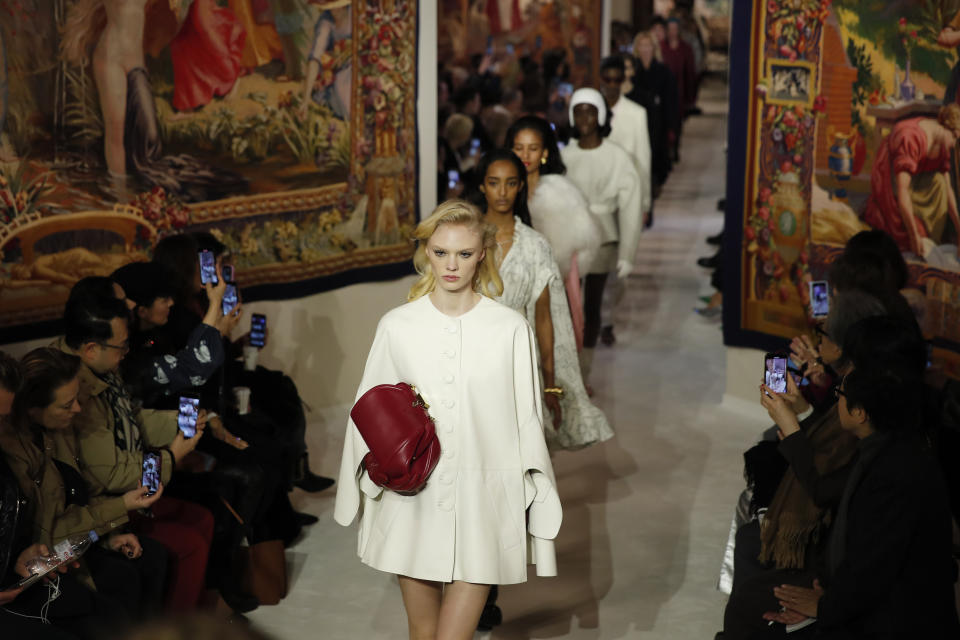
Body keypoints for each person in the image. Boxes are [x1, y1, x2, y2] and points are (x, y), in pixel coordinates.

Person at [334, 199, 562, 639]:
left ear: (482, 254)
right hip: (412, 497)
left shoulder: (510, 328)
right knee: (422, 633)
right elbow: (368, 414)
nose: (451, 265)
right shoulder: (397, 326)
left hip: (484, 499)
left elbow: (526, 421)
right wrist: (360, 486)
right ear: (426, 253)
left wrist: (533, 494)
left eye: (463, 253)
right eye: (440, 252)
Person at [758, 318, 960, 638]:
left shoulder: (893, 471)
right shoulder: (887, 442)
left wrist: (825, 604)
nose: (837, 394)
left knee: (756, 608)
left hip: (892, 619)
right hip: (860, 593)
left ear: (861, 412)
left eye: (840, 391)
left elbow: (871, 566)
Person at [721, 291, 889, 640]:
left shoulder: (884, 456)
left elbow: (824, 487)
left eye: (824, 333)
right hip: (831, 554)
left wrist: (794, 425)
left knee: (748, 593)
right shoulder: (874, 430)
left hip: (830, 565)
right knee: (752, 538)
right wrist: (803, 413)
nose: (837, 391)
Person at [58, 290, 216, 612]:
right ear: (90, 349)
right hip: (102, 506)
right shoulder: (75, 391)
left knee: (202, 519)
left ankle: (190, 620)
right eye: (121, 347)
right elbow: (110, 473)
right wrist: (171, 456)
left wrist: (178, 422)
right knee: (186, 544)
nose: (127, 353)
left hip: (118, 499)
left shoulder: (102, 370)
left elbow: (130, 419)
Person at [2, 348, 168, 623]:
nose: (78, 409)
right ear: (31, 409)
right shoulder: (19, 455)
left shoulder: (56, 432)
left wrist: (107, 535)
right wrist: (121, 507)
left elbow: (80, 494)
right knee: (114, 602)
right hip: (47, 557)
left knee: (147, 562)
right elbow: (50, 531)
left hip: (71, 545)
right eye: (67, 405)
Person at [468, 148, 612, 450]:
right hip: (469, 360)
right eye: (494, 182)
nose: (502, 191)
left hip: (518, 361)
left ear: (521, 186)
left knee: (518, 453)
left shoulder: (535, 246)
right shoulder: (464, 240)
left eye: (510, 182)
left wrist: (549, 383)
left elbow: (544, 317)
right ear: (482, 186)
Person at [560, 88, 642, 381]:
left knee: (592, 305)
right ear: (571, 116)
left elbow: (631, 207)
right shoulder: (565, 156)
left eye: (591, 111)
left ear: (602, 115)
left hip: (603, 238)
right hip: (568, 237)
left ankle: (584, 371)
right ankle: (569, 370)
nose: (584, 117)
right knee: (569, 308)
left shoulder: (617, 157)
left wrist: (628, 253)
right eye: (578, 111)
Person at [505, 114, 602, 349]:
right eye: (519, 148)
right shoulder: (500, 192)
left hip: (552, 292)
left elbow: (576, 257)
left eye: (533, 148)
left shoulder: (562, 195)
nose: (525, 156)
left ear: (545, 152)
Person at [863, 104, 960, 259]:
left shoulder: (942, 144)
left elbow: (948, 190)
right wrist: (914, 235)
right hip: (891, 181)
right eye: (955, 137)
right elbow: (902, 191)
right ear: (947, 128)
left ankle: (928, 240)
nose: (954, 144)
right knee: (910, 237)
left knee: (941, 183)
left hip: (916, 183)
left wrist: (959, 229)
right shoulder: (911, 137)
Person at [629, 30, 678, 196]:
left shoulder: (664, 71)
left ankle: (653, 184)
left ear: (653, 47)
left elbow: (671, 100)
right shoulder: (632, 72)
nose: (645, 49)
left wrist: (672, 126)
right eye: (641, 45)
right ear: (636, 48)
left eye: (648, 45)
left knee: (657, 155)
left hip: (658, 122)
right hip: (636, 122)